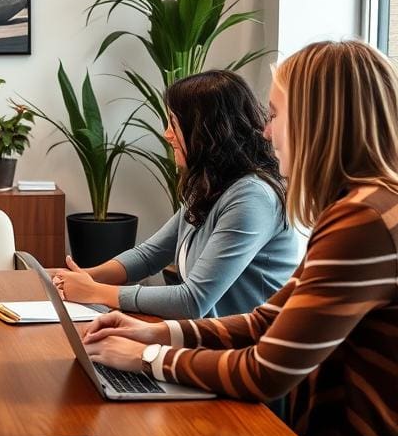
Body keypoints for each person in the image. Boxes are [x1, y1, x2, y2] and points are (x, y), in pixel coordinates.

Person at [82, 41, 398, 436]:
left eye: (274, 115)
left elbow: (266, 371)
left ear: (316, 120)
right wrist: (157, 335)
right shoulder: (366, 206)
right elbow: (264, 322)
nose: (266, 131)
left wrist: (146, 359)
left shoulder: (364, 220)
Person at [54, 70, 298, 319]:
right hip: (208, 340)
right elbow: (149, 255)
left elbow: (192, 301)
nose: (167, 133)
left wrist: (95, 292)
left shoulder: (251, 197)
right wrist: (82, 277)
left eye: (174, 122)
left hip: (243, 350)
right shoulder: (212, 186)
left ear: (206, 131)